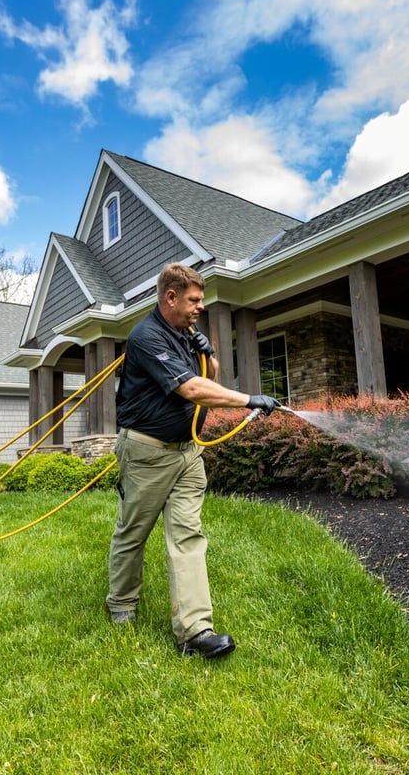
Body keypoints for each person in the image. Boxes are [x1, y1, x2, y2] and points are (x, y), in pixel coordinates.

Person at [107, 262, 281, 659]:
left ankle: (195, 631)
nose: (200, 307)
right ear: (171, 297)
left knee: (187, 535)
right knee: (133, 532)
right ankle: (121, 604)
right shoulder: (147, 336)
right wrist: (249, 400)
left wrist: (210, 353)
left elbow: (208, 374)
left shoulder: (186, 334)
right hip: (148, 452)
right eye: (194, 300)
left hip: (188, 451)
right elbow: (190, 387)